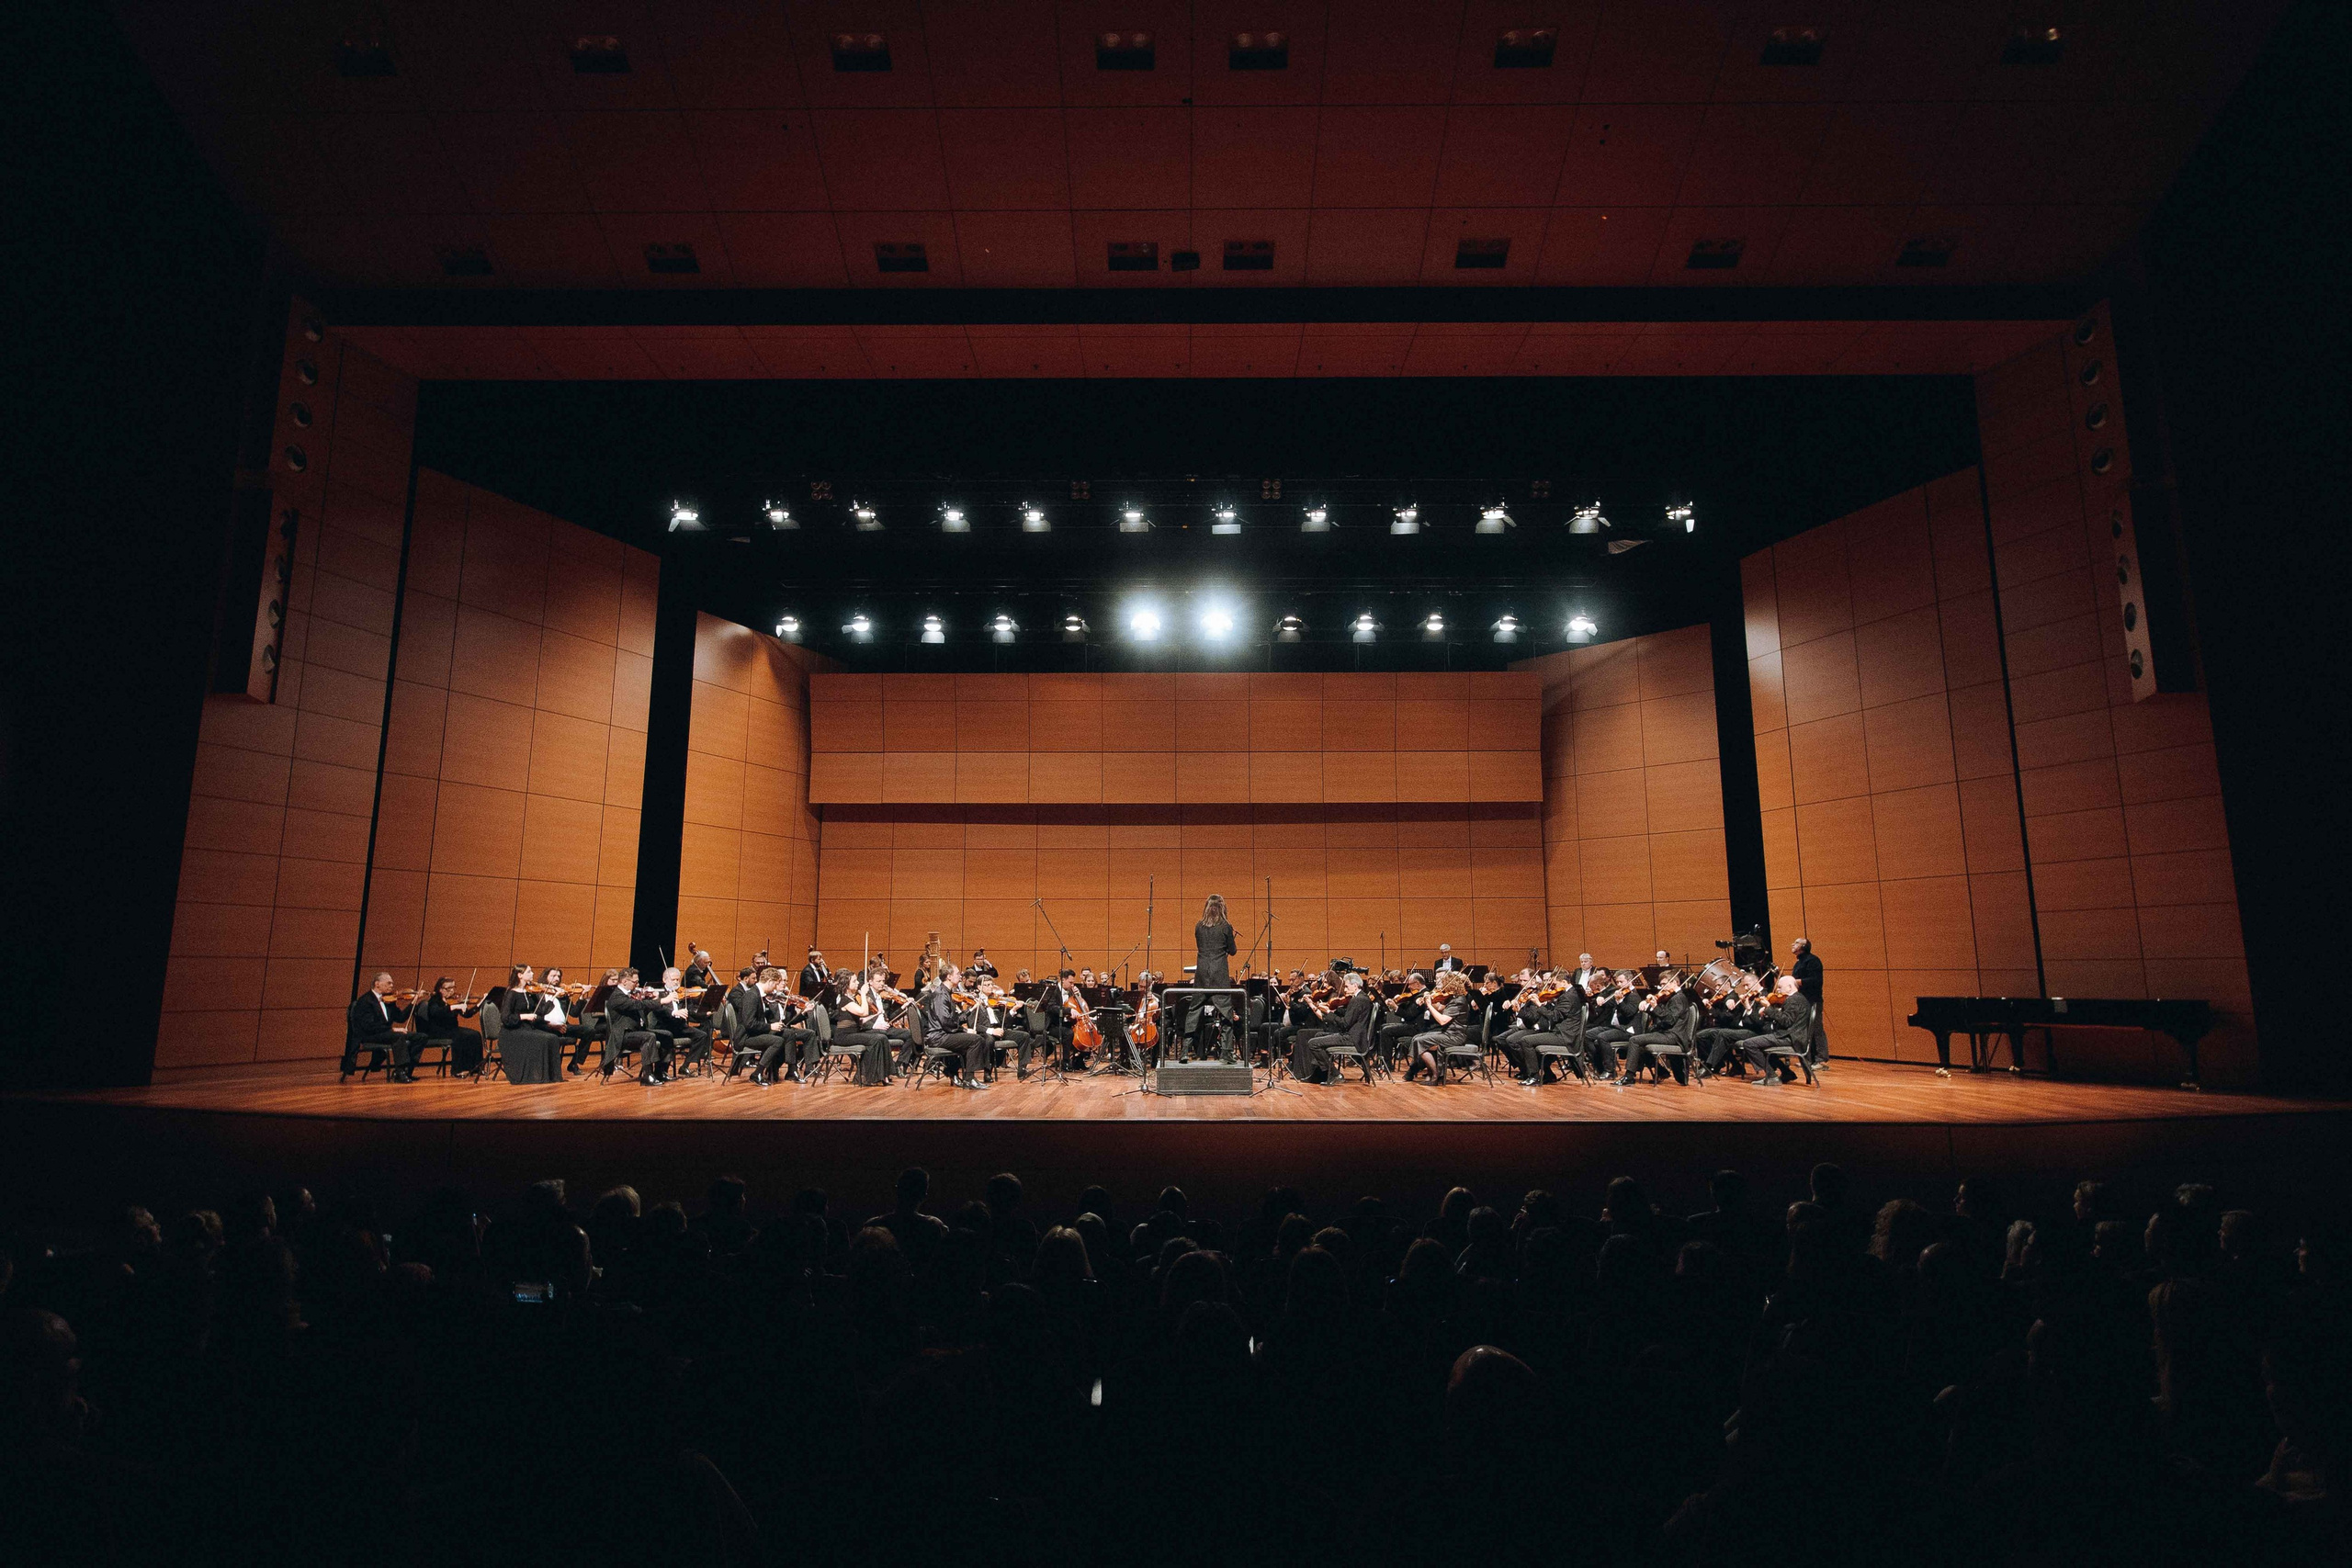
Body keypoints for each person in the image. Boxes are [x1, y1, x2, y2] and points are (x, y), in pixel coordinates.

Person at [491, 964, 567, 1084]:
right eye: (529, 972)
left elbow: (540, 1013)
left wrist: (553, 997)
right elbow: (505, 1018)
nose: (532, 974)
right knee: (545, 1039)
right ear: (520, 975)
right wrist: (524, 1016)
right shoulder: (511, 993)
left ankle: (552, 1077)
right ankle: (538, 1076)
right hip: (512, 1032)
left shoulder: (529, 993)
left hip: (527, 1029)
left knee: (552, 1038)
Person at [1299, 972, 1374, 1084]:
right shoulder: (1362, 997)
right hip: (1355, 1036)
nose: (1345, 988)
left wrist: (1329, 1012)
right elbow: (1350, 1015)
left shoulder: (1358, 1000)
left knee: (1313, 1043)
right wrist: (1336, 1010)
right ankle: (1319, 1074)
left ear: (1355, 985)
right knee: (1318, 1036)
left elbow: (1344, 1024)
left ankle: (1335, 1074)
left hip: (1352, 1038)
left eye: (1347, 986)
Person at [1742, 976, 1819, 1084]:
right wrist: (1768, 1013)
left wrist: (1769, 1008)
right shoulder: (1797, 998)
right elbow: (1786, 1018)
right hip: (1791, 1036)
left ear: (1790, 987)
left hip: (1790, 1038)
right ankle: (1786, 1072)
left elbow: (1786, 1021)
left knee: (1749, 1044)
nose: (1777, 990)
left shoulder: (1794, 1000)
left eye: (1780, 987)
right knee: (1761, 1042)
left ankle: (1771, 1076)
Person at [1191, 894, 1238, 1059]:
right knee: (1226, 1013)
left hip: (1202, 973)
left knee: (1195, 1012)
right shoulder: (1226, 926)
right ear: (1222, 908)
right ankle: (1226, 1052)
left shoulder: (1198, 926)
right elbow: (1232, 951)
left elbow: (1201, 947)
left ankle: (1190, 1051)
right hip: (1219, 974)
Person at [342, 972, 413, 1081]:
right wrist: (392, 1029)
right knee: (399, 1036)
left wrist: (413, 1003)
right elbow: (369, 1026)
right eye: (389, 983)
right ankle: (400, 1072)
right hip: (369, 1035)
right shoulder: (365, 1001)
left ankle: (409, 1070)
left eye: (392, 983)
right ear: (377, 984)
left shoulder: (389, 1000)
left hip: (384, 1033)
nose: (392, 986)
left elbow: (401, 1018)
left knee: (419, 1037)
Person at [412, 976, 486, 1077]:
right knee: (459, 1037)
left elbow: (467, 1014)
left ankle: (477, 1067)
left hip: (452, 1029)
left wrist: (481, 1003)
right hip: (437, 1031)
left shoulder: (454, 1000)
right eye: (448, 989)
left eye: (453, 988)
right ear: (440, 989)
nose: (451, 991)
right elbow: (436, 1012)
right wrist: (454, 1007)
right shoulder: (434, 1000)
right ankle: (457, 1070)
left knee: (475, 1035)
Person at [1790, 937, 1828, 1064]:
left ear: (1804, 946)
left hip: (1813, 1000)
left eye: (1796, 943)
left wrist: (1795, 982)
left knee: (1816, 1029)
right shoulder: (1798, 963)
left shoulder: (1813, 961)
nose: (1793, 944)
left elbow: (1816, 980)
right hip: (1802, 1001)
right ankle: (1808, 1060)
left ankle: (1821, 1059)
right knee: (1805, 1030)